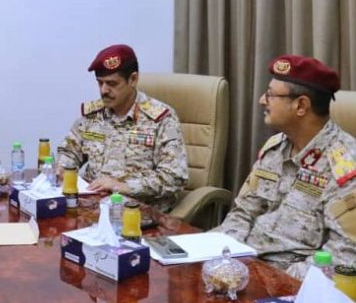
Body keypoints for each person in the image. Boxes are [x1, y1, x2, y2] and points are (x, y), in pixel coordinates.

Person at [217, 55, 356, 279]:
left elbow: (343, 257)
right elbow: (243, 213)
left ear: (301, 105)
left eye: (271, 95)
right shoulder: (275, 148)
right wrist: (223, 259)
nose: (262, 100)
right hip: (243, 267)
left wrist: (270, 280)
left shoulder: (345, 167)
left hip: (290, 285)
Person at [56, 44, 188, 212]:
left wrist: (123, 186)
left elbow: (174, 177)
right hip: (91, 209)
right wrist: (63, 168)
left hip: (138, 214)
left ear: (133, 79)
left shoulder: (160, 119)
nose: (104, 90)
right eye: (100, 83)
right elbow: (70, 151)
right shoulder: (92, 116)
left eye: (111, 83)